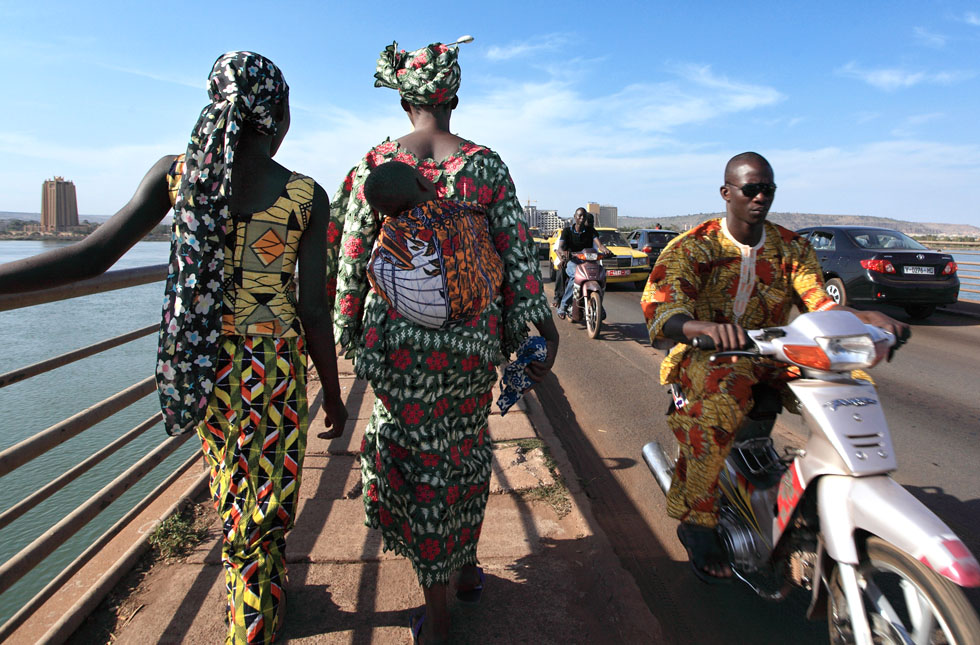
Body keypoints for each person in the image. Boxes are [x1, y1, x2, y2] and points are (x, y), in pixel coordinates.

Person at [0, 52, 348, 644]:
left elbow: (93, 255)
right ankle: (254, 617)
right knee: (267, 491)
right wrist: (335, 398)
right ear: (279, 117)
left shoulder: (179, 174)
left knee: (231, 479)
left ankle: (254, 589)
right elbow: (314, 311)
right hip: (273, 368)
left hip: (201, 358)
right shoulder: (305, 195)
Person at [327, 40, 559, 644]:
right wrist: (539, 330)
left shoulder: (376, 163)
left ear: (406, 100)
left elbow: (352, 257)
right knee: (462, 449)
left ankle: (440, 613)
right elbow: (516, 257)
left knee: (415, 459)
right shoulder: (485, 166)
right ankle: (465, 569)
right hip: (471, 349)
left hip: (398, 351)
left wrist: (346, 331)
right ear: (453, 96)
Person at [640, 151, 908, 582]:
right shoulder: (694, 246)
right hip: (711, 356)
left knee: (848, 384)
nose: (760, 196)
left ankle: (834, 484)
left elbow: (818, 303)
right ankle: (698, 520)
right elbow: (661, 309)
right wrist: (699, 326)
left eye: (768, 188)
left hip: (777, 353)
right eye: (750, 189)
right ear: (727, 193)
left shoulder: (792, 247)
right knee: (718, 405)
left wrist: (863, 319)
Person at [555, 206, 611, 319]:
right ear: (575, 217)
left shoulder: (590, 231)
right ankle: (563, 305)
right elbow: (560, 247)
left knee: (600, 275)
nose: (581, 218)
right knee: (575, 276)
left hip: (588, 261)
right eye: (579, 216)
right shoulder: (567, 231)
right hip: (572, 260)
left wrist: (605, 250)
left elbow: (599, 245)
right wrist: (563, 254)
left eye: (583, 216)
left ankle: (599, 303)